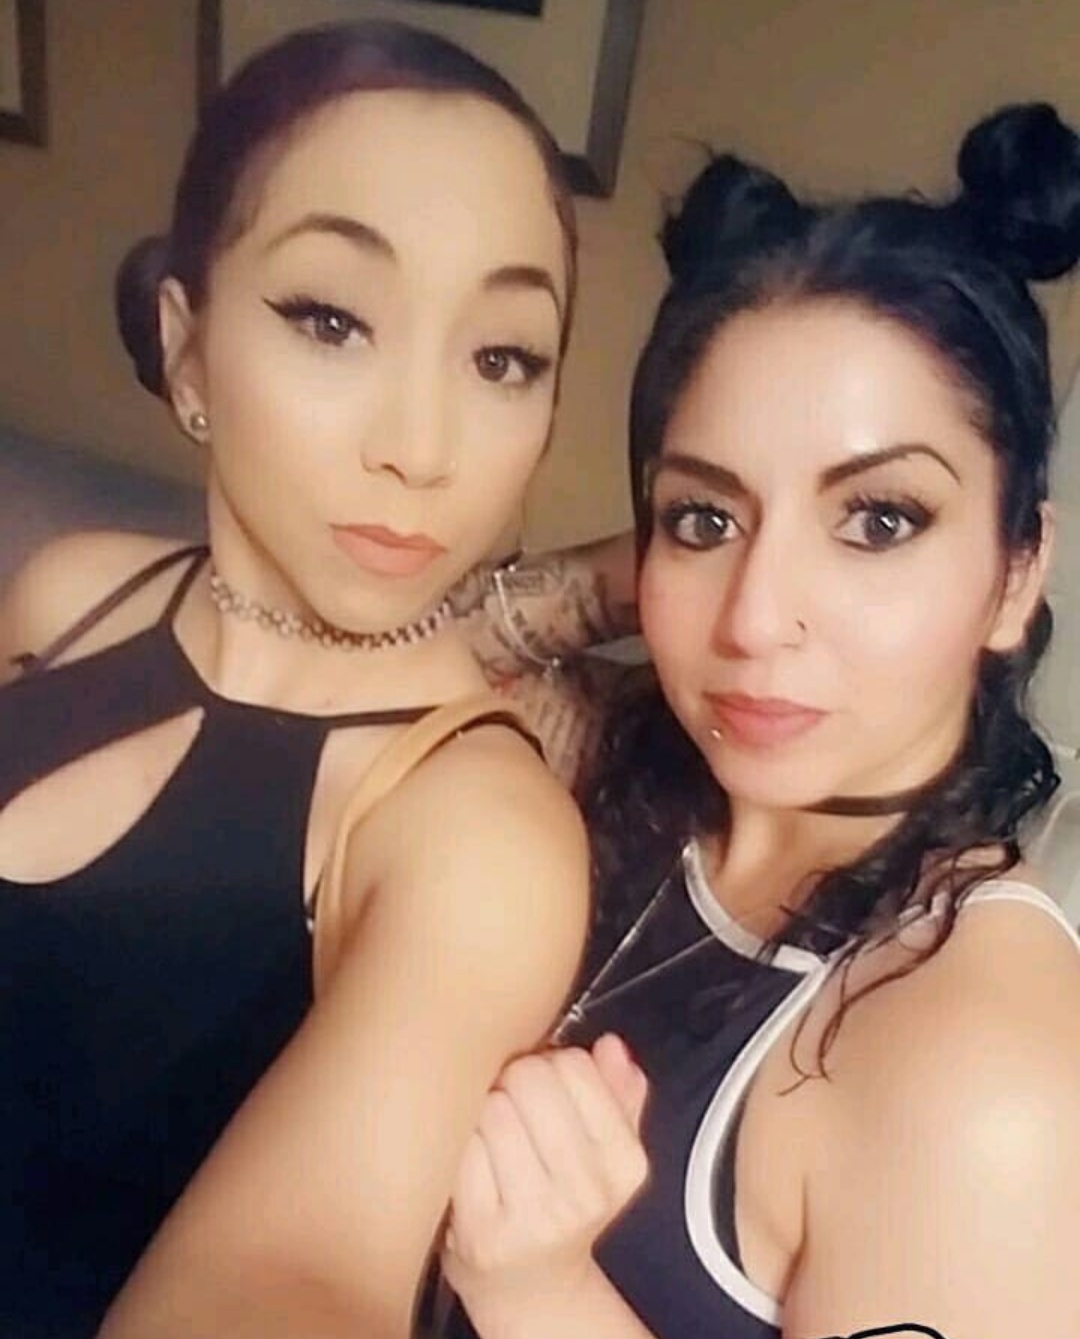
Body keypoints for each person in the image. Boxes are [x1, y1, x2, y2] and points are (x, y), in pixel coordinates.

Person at [440, 102, 1080, 1339]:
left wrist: (540, 1295)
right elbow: (395, 656)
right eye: (704, 519)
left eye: (879, 520)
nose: (753, 619)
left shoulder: (981, 1070)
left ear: (1016, 574)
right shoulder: (626, 762)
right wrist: (656, 564)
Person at [0, 21, 591, 1339]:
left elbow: (297, 1276)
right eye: (333, 320)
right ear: (188, 348)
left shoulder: (478, 831)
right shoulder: (69, 594)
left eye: (502, 357)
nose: (421, 447)